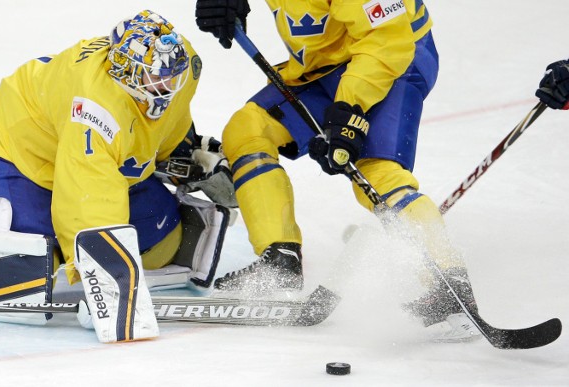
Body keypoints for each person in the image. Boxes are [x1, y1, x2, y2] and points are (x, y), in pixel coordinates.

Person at [194, 0, 479, 336]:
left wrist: (348, 112)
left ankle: (447, 281)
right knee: (249, 130)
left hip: (391, 61)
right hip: (322, 65)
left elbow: (388, 40)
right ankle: (279, 259)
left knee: (376, 170)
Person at [0, 10, 234, 343]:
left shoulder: (182, 64)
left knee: (162, 245)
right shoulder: (95, 110)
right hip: (21, 157)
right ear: (126, 74)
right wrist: (105, 283)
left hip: (98, 160)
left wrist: (183, 152)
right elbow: (87, 198)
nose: (169, 84)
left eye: (171, 75)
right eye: (155, 78)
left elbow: (171, 116)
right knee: (31, 263)